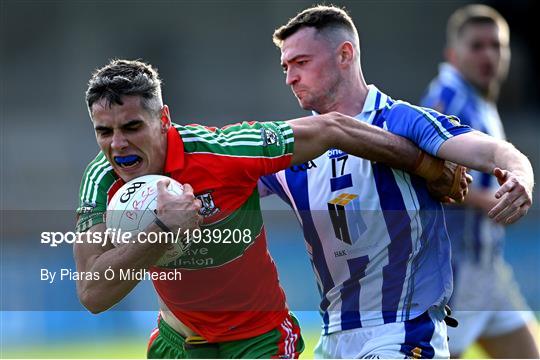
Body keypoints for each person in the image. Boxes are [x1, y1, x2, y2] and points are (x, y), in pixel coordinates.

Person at [74, 59, 468, 359]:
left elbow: (333, 129)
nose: (117, 145)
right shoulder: (100, 181)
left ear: (163, 120)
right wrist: (162, 229)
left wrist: (428, 166)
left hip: (258, 340)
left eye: (131, 127)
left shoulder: (227, 149)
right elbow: (93, 293)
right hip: (178, 342)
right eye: (104, 132)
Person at [259, 5, 534, 359]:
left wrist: (521, 176)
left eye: (301, 63)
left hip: (403, 332)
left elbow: (492, 150)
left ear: (345, 55)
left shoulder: (402, 122)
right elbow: (231, 187)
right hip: (334, 338)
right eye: (286, 67)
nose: (290, 77)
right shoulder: (292, 145)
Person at [421, 4, 539, 358]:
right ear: (453, 55)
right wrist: (490, 200)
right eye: (477, 46)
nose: (489, 54)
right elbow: (427, 175)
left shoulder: (477, 98)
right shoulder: (449, 100)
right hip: (456, 271)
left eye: (497, 45)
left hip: (487, 267)